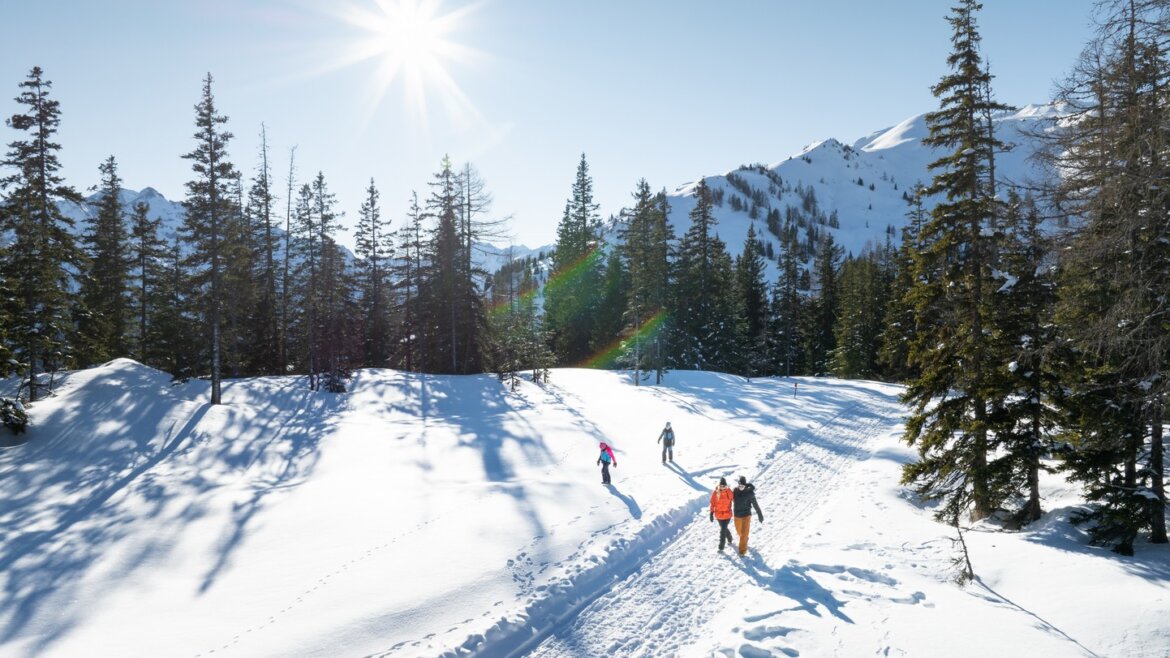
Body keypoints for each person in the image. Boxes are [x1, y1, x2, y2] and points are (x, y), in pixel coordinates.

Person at [732, 475, 764, 555]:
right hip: (737, 515)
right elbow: (727, 498)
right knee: (739, 532)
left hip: (746, 515)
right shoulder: (735, 491)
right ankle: (745, 539)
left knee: (744, 533)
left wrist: (759, 514)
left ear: (745, 486)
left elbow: (755, 504)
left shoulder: (749, 493)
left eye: (742, 486)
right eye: (739, 486)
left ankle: (742, 551)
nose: (741, 487)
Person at [709, 477, 734, 552]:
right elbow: (712, 503)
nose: (723, 488)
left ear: (726, 486)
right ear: (719, 486)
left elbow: (735, 500)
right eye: (721, 486)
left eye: (724, 486)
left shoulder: (729, 492)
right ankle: (730, 538)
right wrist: (711, 513)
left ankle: (721, 547)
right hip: (719, 515)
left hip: (727, 515)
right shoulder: (715, 492)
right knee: (724, 528)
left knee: (722, 530)